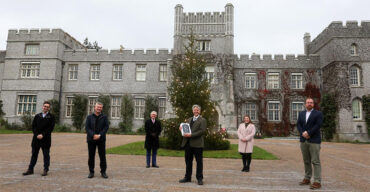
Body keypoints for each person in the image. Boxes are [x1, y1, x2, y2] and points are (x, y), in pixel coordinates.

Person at [23, 101, 55, 176]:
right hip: (36, 139)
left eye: (47, 107)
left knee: (46, 155)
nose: (46, 108)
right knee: (34, 154)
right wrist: (37, 134)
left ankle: (45, 169)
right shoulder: (37, 116)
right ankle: (30, 169)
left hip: (46, 139)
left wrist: (43, 135)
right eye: (45, 106)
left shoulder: (51, 117)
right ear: (42, 107)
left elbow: (50, 128)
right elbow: (33, 126)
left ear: (49, 108)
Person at [297, 97, 323, 190]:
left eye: (311, 102)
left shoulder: (318, 113)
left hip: (314, 140)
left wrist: (309, 133)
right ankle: (307, 178)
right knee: (306, 161)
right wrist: (303, 133)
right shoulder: (301, 113)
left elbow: (318, 125)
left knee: (315, 161)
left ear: (313, 104)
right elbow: (299, 125)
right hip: (303, 140)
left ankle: (317, 181)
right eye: (308, 102)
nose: (309, 104)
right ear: (305, 104)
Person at [178, 104, 207, 185]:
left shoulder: (203, 120)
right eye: (194, 109)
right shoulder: (189, 119)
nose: (196, 111)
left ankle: (199, 178)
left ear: (199, 111)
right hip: (188, 144)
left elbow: (202, 131)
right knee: (188, 161)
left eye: (197, 110)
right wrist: (181, 129)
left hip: (197, 144)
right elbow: (186, 129)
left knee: (199, 162)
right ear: (192, 111)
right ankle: (187, 177)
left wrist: (191, 135)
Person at [85, 102, 109, 179]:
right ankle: (91, 172)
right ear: (94, 107)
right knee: (91, 156)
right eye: (98, 107)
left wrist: (99, 135)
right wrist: (93, 135)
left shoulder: (104, 117)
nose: (99, 108)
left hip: (101, 139)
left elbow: (106, 127)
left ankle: (103, 172)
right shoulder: (89, 117)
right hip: (91, 139)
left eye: (100, 107)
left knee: (102, 156)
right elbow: (87, 128)